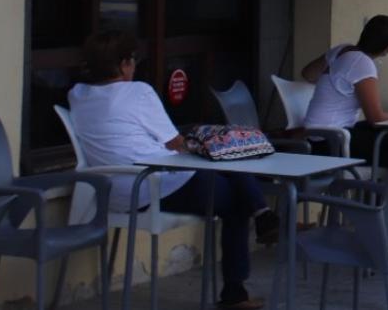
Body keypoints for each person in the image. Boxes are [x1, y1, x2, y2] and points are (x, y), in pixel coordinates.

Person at [68, 30, 274, 310]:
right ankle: (237, 287)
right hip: (153, 184)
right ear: (124, 63)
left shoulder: (77, 95)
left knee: (223, 167)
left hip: (115, 190)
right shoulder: (138, 92)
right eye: (133, 60)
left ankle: (263, 214)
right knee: (233, 190)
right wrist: (201, 142)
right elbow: (175, 142)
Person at [301, 14, 388, 162]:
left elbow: (308, 74)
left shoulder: (341, 50)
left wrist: (333, 78)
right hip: (330, 143)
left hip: (314, 137)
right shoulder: (362, 63)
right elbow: (376, 118)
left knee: (387, 134)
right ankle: (386, 184)